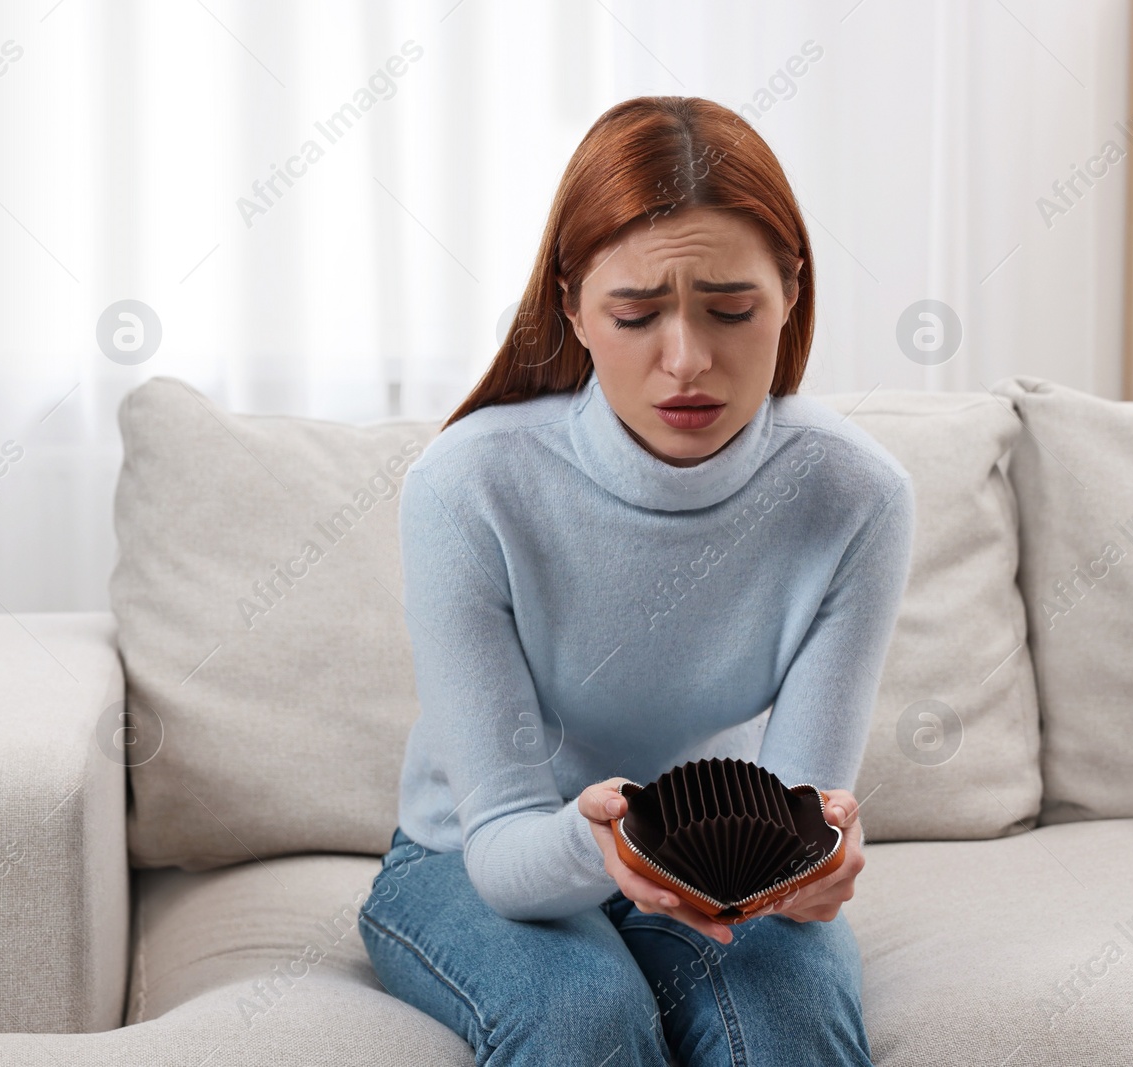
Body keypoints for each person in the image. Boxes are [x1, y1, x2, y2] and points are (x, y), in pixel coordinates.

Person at [358, 95, 914, 1066]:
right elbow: (498, 846)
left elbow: (800, 803)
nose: (687, 359)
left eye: (732, 309)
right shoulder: (467, 485)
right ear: (572, 304)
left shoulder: (855, 495)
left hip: (710, 866)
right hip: (474, 858)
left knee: (785, 1024)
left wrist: (813, 869)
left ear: (790, 290)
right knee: (585, 1016)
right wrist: (596, 848)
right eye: (635, 312)